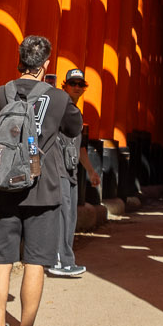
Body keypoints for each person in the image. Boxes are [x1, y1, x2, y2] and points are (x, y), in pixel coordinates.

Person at [0, 34, 83, 326]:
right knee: (36, 263)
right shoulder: (58, 98)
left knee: (2, 261)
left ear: (20, 59)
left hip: (5, 188)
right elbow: (74, 128)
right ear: (46, 64)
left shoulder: (2, 92)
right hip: (43, 190)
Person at [45, 67, 103, 280]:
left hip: (71, 169)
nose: (77, 87)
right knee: (62, 215)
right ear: (65, 85)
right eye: (73, 84)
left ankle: (66, 260)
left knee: (70, 215)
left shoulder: (76, 112)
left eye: (81, 84)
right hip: (58, 167)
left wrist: (90, 170)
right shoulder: (59, 107)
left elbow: (81, 147)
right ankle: (59, 261)